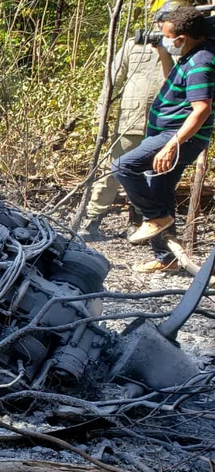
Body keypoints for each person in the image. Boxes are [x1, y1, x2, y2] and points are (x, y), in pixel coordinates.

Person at [112, 5, 215, 272]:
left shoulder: (201, 61)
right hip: (168, 134)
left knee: (124, 166)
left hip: (179, 137)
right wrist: (162, 53)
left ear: (183, 38)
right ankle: (166, 258)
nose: (165, 40)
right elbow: (175, 82)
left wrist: (172, 145)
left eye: (168, 37)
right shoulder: (189, 55)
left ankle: (156, 217)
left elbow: (202, 109)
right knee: (157, 186)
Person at [81, 1, 183, 238]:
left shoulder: (184, 49)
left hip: (165, 125)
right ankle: (92, 219)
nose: (161, 26)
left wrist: (167, 49)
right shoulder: (134, 45)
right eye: (160, 20)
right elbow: (112, 81)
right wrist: (102, 116)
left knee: (154, 176)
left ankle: (140, 220)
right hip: (130, 120)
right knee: (111, 173)